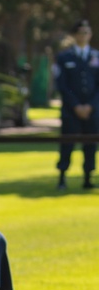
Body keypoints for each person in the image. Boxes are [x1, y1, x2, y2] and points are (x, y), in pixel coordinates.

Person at [55, 19, 98, 190]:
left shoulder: (96, 56)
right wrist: (76, 106)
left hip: (92, 109)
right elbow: (62, 85)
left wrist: (90, 106)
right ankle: (62, 176)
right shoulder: (64, 57)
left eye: (87, 32)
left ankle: (88, 177)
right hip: (71, 110)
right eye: (80, 32)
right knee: (67, 143)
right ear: (75, 35)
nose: (84, 35)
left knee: (90, 144)